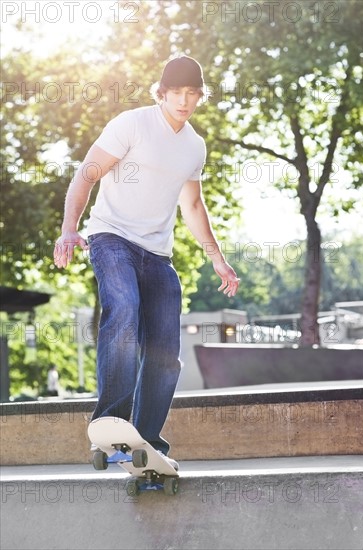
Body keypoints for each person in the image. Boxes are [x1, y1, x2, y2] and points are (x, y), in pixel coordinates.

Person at [53, 56, 239, 469]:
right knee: (125, 311)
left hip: (158, 254)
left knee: (165, 352)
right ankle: (110, 422)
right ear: (162, 92)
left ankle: (145, 439)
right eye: (177, 93)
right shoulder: (132, 124)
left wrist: (219, 261)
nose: (185, 101)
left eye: (193, 94)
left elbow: (192, 204)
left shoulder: (194, 146)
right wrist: (69, 228)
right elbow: (87, 174)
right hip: (111, 237)